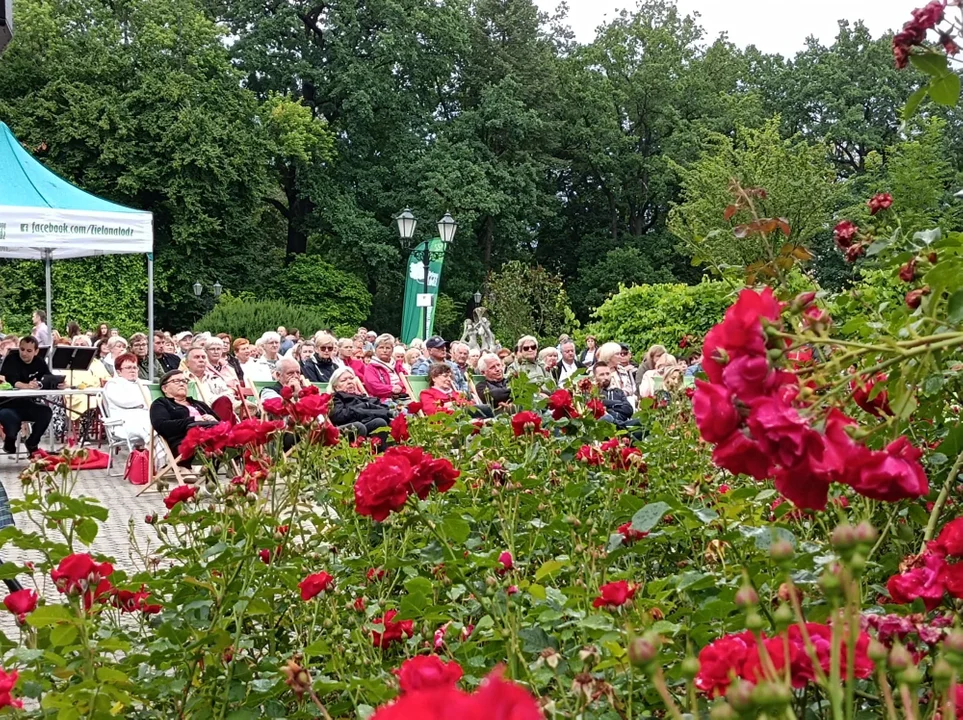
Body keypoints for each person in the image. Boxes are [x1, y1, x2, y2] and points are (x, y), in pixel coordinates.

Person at [0, 337, 60, 455]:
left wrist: (59, 384)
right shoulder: (11, 359)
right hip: (7, 405)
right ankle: (10, 440)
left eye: (28, 351)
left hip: (28, 403)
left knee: (46, 412)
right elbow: (11, 380)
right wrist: (27, 385)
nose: (24, 353)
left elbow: (48, 377)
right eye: (22, 349)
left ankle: (32, 443)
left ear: (36, 351)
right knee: (10, 421)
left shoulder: (39, 362)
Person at [150, 370, 218, 468]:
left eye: (184, 381)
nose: (182, 383)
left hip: (211, 438)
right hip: (184, 443)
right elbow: (162, 425)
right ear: (164, 388)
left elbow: (221, 423)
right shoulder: (161, 403)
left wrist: (213, 419)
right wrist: (193, 420)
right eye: (176, 381)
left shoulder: (199, 404)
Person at [328, 366, 394, 438]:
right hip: (349, 428)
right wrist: (363, 408)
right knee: (365, 425)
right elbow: (338, 416)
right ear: (336, 387)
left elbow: (383, 408)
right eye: (344, 380)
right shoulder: (336, 398)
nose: (349, 382)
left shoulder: (362, 397)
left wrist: (365, 407)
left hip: (366, 422)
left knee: (387, 422)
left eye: (351, 378)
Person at [101, 352, 151, 446]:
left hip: (143, 419)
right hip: (123, 423)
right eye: (128, 368)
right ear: (119, 371)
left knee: (161, 428)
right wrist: (142, 403)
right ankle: (152, 457)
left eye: (134, 367)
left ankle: (160, 457)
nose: (132, 370)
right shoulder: (113, 384)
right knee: (150, 430)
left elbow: (148, 401)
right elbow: (124, 402)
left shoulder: (141, 384)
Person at [419, 363, 492, 418]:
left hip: (465, 419)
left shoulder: (454, 393)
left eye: (450, 376)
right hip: (447, 424)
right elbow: (433, 412)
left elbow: (469, 405)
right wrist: (455, 407)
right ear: (434, 378)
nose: (449, 379)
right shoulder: (427, 394)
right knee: (485, 409)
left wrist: (450, 404)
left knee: (486, 409)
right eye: (445, 376)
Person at [364, 334, 407, 402]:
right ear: (375, 349)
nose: (384, 350)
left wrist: (399, 386)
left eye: (388, 348)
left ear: (392, 350)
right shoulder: (371, 368)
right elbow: (374, 387)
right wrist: (392, 389)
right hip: (382, 401)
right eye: (381, 347)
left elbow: (407, 380)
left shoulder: (397, 365)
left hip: (403, 397)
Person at [591, 363, 635, 430]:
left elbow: (629, 410)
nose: (606, 377)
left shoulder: (617, 391)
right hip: (602, 427)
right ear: (594, 377)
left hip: (624, 424)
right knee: (607, 418)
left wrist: (608, 405)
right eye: (602, 375)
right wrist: (619, 403)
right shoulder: (592, 393)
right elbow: (596, 406)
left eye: (608, 374)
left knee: (643, 422)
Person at [597, 342, 636, 409]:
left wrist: (621, 394)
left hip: (624, 403)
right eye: (617, 354)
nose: (620, 357)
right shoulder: (597, 370)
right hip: (606, 405)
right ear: (609, 356)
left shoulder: (621, 369)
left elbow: (630, 388)